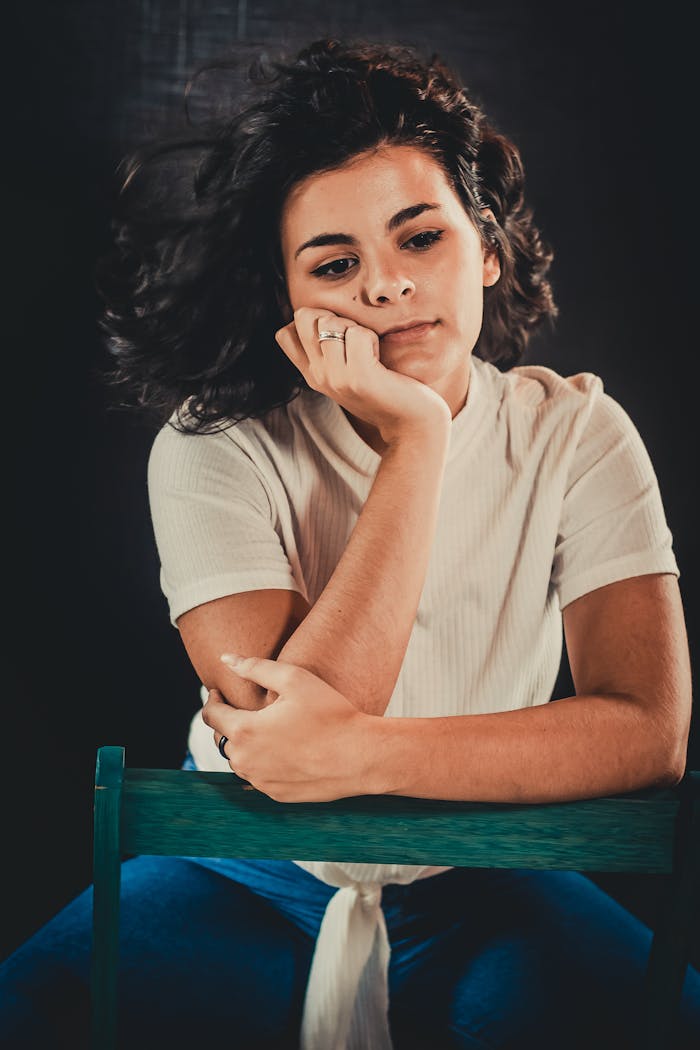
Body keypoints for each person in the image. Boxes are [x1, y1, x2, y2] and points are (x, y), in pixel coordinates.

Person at [2, 35, 699, 1050]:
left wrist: (366, 754)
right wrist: (417, 439)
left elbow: (647, 733)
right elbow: (279, 738)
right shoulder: (215, 446)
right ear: (288, 299)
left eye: (420, 239)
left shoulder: (577, 435)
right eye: (335, 263)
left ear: (488, 247)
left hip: (491, 878)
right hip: (240, 866)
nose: (384, 286)